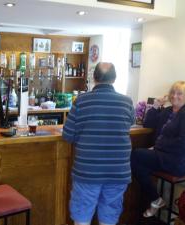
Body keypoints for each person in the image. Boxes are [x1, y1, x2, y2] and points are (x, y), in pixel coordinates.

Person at [63, 62, 135, 225]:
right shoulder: (127, 102)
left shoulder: (81, 101)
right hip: (118, 171)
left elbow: (67, 136)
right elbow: (129, 123)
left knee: (82, 216)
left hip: (87, 170)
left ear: (94, 78)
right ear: (114, 79)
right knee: (109, 216)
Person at [131, 81, 185, 217]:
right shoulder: (168, 111)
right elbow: (148, 123)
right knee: (139, 165)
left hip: (179, 161)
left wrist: (158, 146)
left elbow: (184, 142)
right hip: (163, 155)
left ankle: (155, 199)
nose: (175, 96)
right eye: (172, 93)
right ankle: (155, 199)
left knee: (135, 155)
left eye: (179, 93)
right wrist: (156, 106)